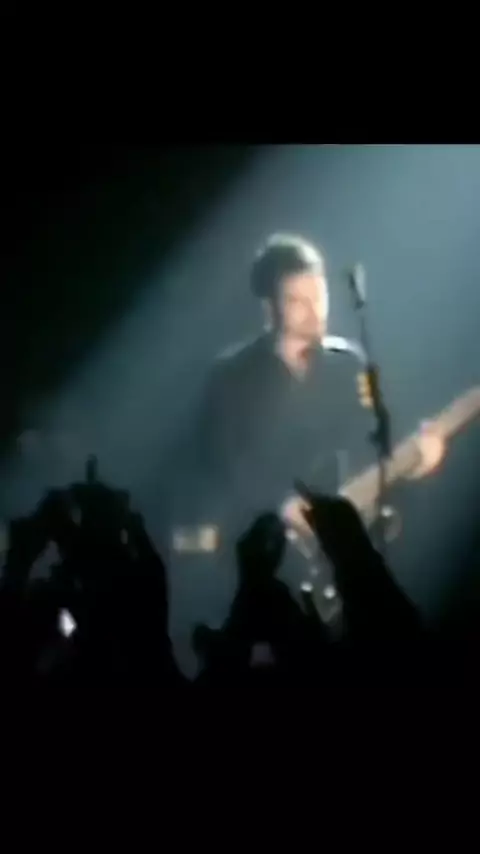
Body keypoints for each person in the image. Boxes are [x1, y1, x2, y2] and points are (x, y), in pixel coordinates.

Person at [196, 233, 445, 539]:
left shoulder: (351, 363)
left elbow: (375, 440)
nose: (315, 311)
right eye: (297, 301)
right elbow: (223, 463)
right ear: (269, 306)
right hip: (265, 542)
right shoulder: (230, 375)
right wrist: (281, 503)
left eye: (318, 296)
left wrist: (416, 461)